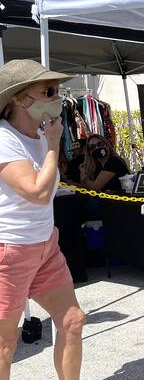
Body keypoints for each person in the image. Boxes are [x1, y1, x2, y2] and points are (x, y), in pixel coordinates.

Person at [0, 59, 86, 379]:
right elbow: (36, 192)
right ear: (21, 99)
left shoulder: (37, 134)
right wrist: (52, 145)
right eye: (49, 91)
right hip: (10, 249)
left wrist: (48, 143)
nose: (58, 98)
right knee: (5, 344)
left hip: (45, 245)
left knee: (72, 321)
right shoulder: (4, 138)